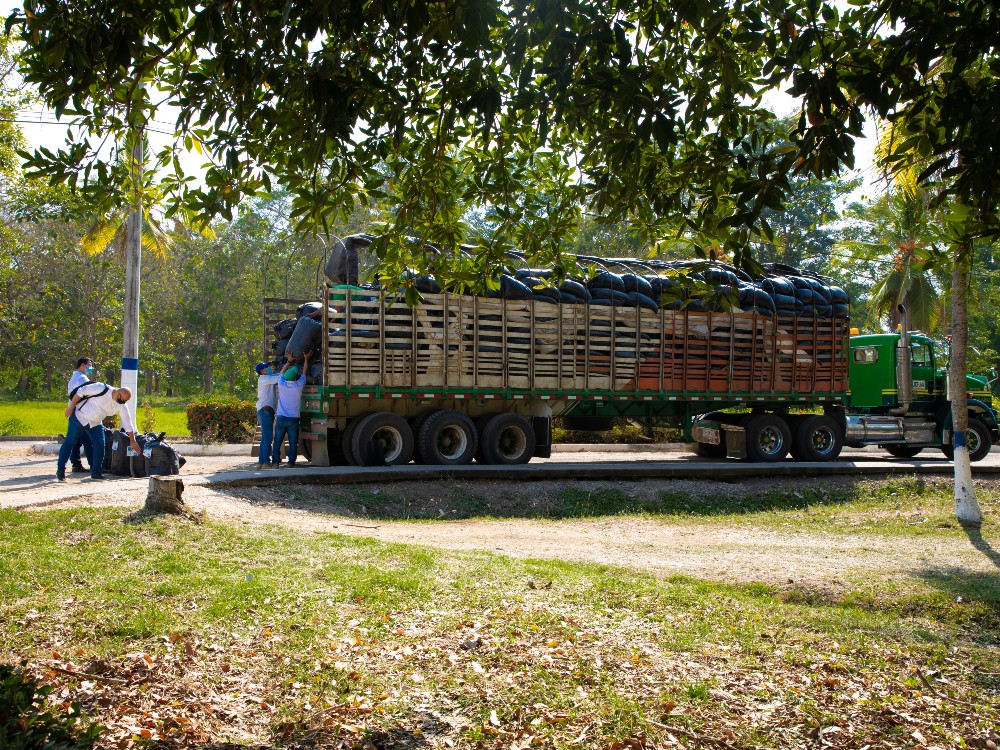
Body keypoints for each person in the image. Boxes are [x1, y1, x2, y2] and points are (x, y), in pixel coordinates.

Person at [57, 383, 141, 481]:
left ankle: (96, 472)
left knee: (100, 445)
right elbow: (81, 391)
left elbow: (127, 421)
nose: (125, 402)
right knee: (70, 442)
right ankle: (60, 470)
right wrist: (71, 407)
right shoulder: (101, 388)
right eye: (124, 399)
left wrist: (132, 440)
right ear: (118, 395)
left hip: (95, 423)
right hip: (80, 417)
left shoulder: (121, 404)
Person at [269, 350, 312, 468]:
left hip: (281, 418)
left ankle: (276, 463)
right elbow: (304, 372)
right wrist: (306, 359)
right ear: (295, 378)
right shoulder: (298, 386)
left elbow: (282, 372)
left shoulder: (281, 384)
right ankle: (291, 462)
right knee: (293, 443)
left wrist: (289, 361)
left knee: (277, 441)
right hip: (293, 419)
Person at [66, 357, 95, 473]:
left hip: (74, 411)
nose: (90, 368)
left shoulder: (74, 377)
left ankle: (76, 463)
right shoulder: (82, 378)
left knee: (75, 440)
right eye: (89, 365)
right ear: (82, 365)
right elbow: (88, 394)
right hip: (81, 412)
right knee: (88, 440)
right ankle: (94, 465)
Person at [255, 361, 280, 467]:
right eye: (267, 367)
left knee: (265, 438)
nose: (269, 369)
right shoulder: (264, 379)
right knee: (268, 438)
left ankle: (261, 462)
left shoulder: (267, 379)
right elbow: (279, 377)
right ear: (262, 371)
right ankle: (265, 462)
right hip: (265, 412)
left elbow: (276, 376)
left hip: (264, 412)